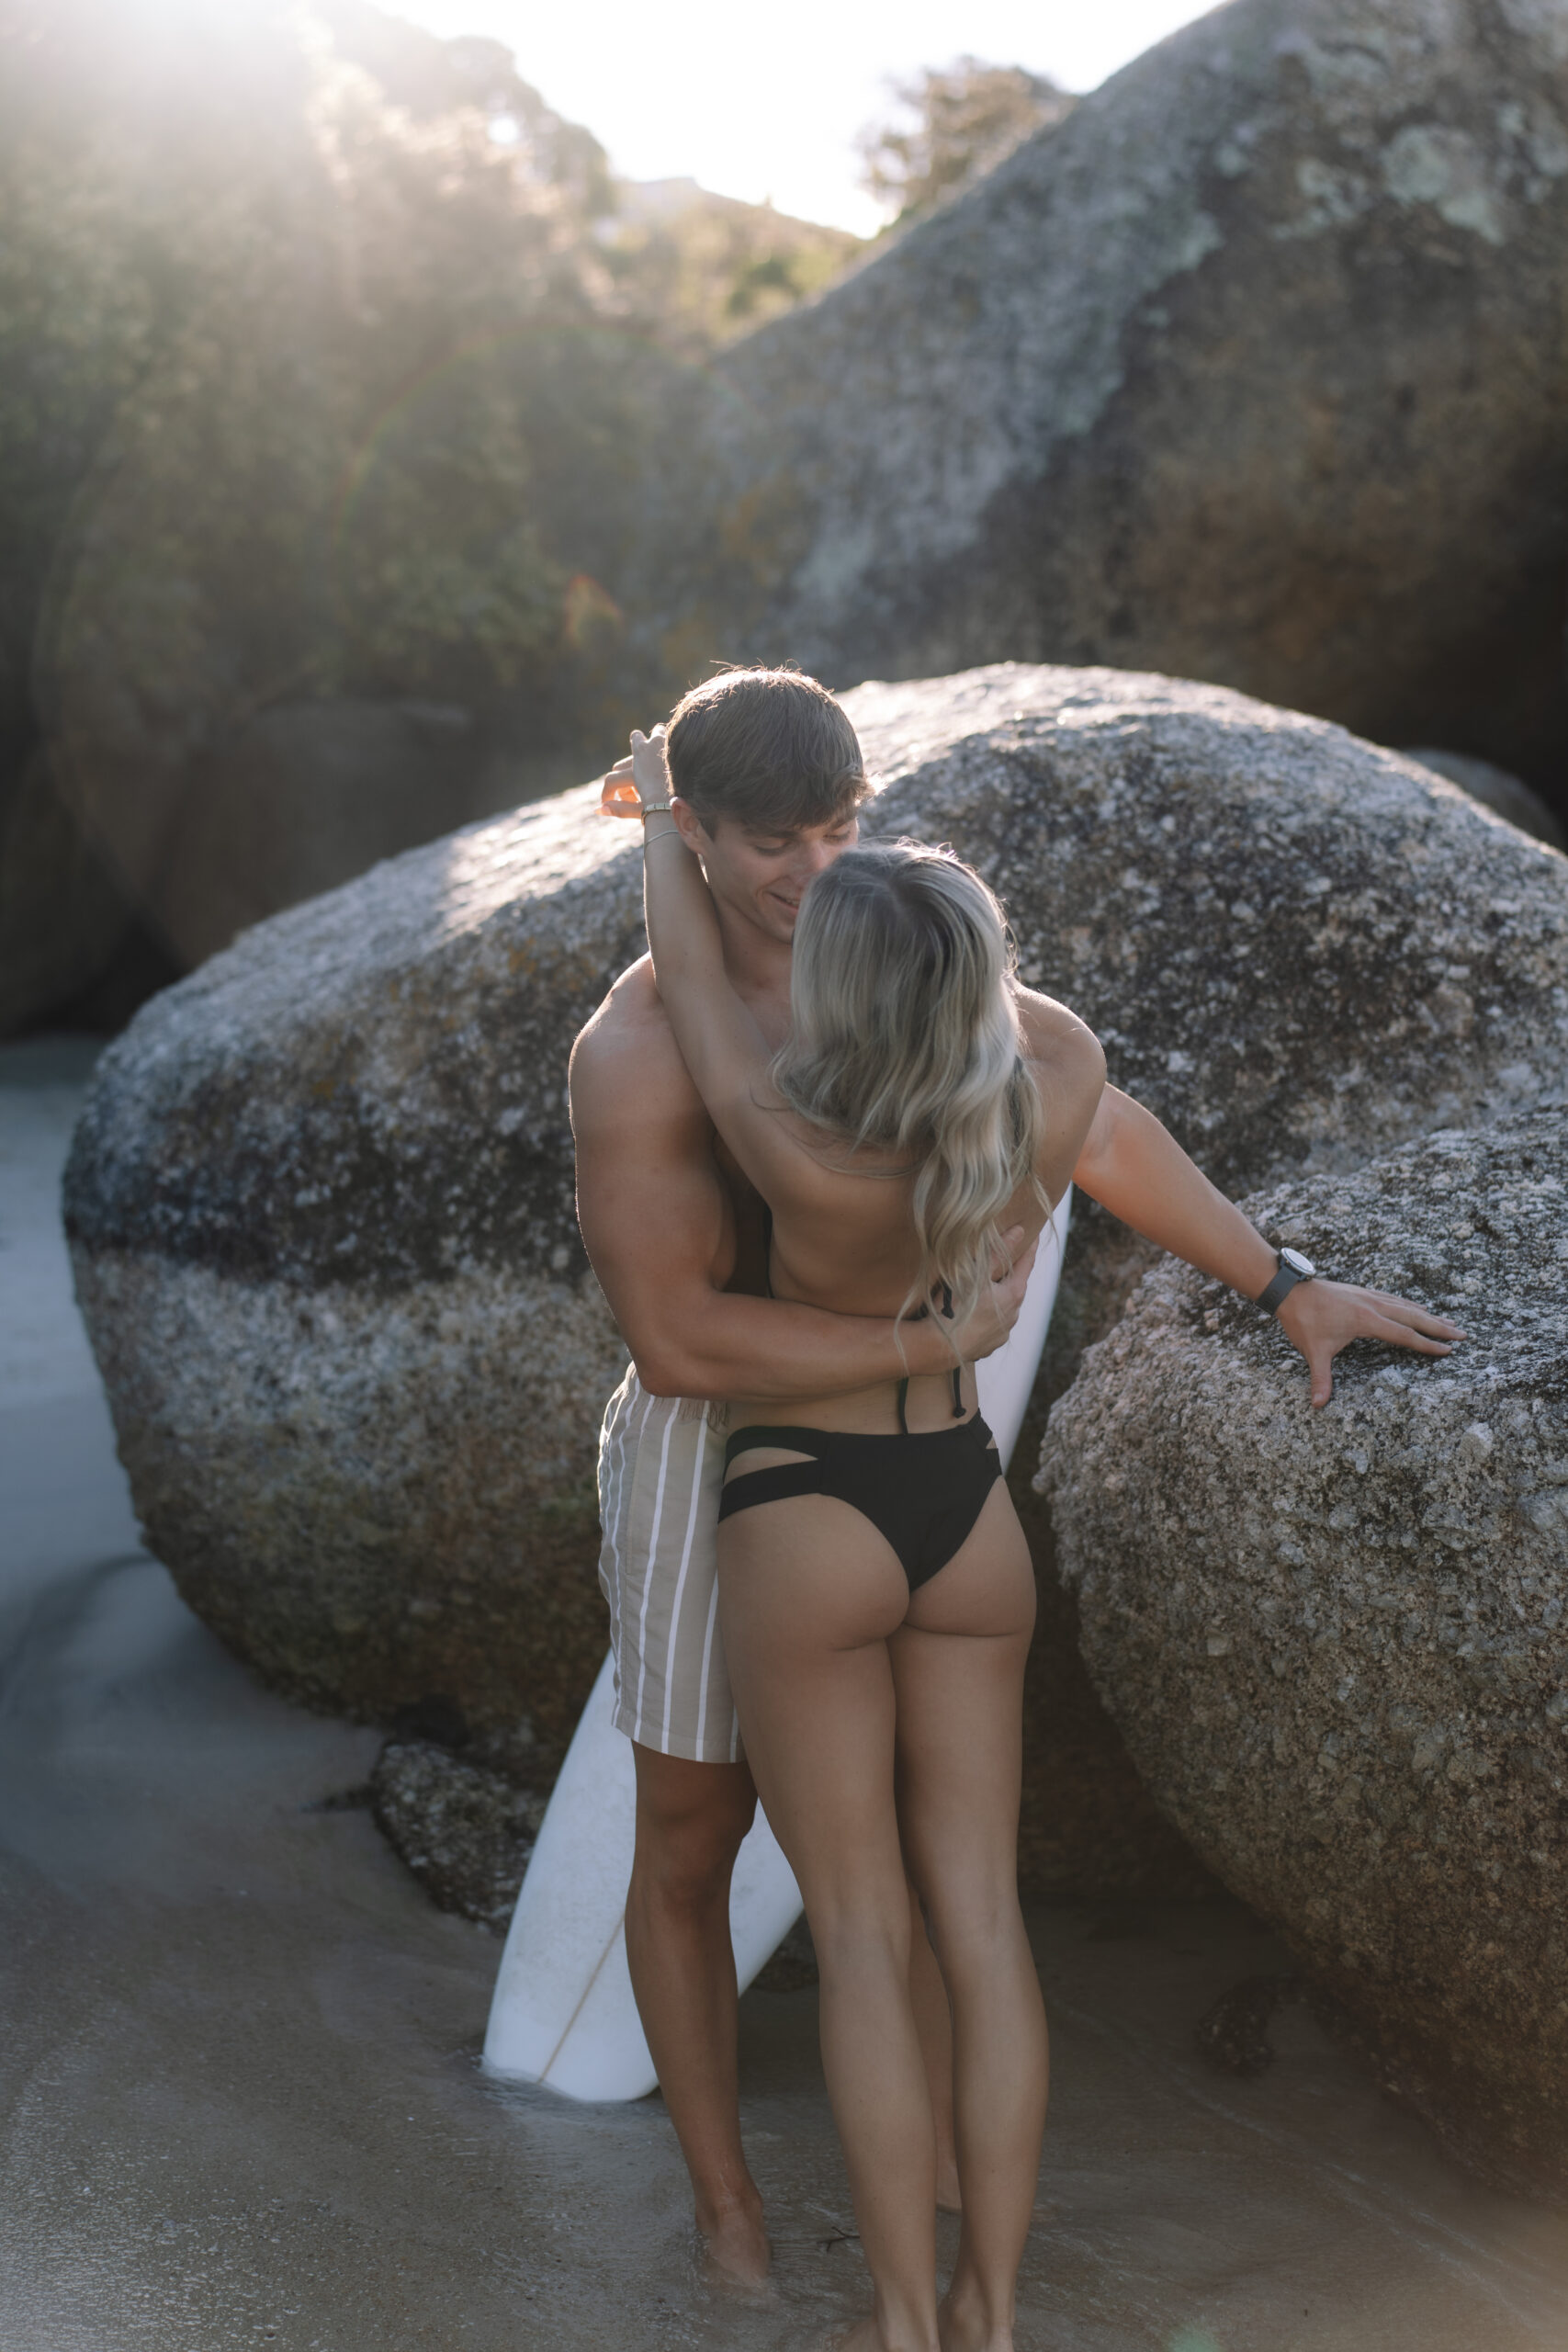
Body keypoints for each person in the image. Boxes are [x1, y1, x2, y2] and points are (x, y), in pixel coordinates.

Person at [600, 673, 1461, 2352]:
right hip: (958, 1504)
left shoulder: (779, 1123)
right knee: (977, 1924)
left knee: (859, 1933)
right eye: (778, 842)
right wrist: (949, 1334)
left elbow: (714, 1008)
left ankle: (910, 2325)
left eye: (842, 837)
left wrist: (648, 822)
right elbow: (679, 1329)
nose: (814, 869)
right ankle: (987, 2307)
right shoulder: (1031, 1064)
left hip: (806, 1501)